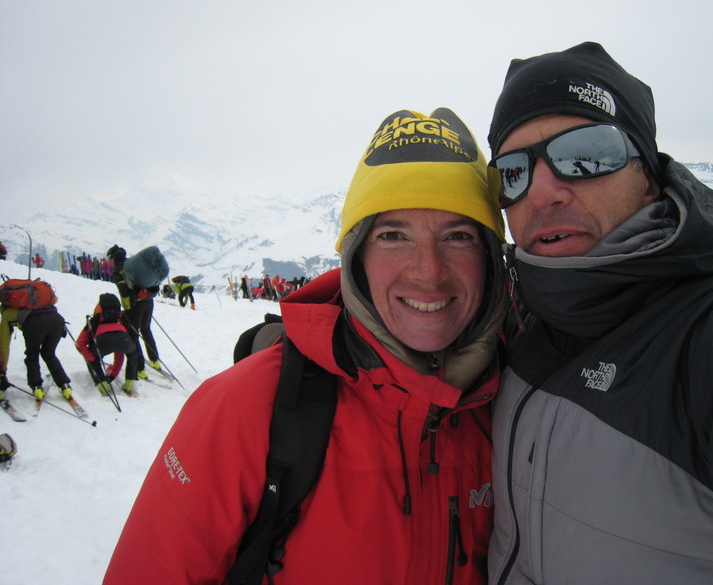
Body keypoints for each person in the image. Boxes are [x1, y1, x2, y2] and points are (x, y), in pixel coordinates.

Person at [104, 107, 508, 584]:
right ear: (356, 257)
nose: (428, 271)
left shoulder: (519, 406)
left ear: (491, 259)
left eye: (458, 236)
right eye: (393, 235)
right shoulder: (244, 409)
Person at [485, 42, 713, 585]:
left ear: (648, 174)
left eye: (585, 151)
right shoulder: (520, 332)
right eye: (511, 173)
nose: (542, 192)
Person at [107, 245, 163, 394]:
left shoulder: (119, 269)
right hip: (148, 301)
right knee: (146, 329)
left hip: (135, 305)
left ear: (114, 258)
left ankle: (140, 368)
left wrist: (127, 306)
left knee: (133, 334)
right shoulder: (133, 264)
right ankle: (155, 360)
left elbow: (123, 290)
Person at [0, 292, 72, 401]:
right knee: (49, 353)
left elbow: (3, 344)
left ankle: (37, 386)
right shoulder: (41, 298)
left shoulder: (9, 311)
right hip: (57, 321)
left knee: (32, 354)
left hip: (35, 324)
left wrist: (2, 370)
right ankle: (65, 385)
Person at [75, 293, 138, 396]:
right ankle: (130, 381)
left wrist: (91, 358)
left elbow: (80, 343)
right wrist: (113, 375)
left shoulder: (95, 319)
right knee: (132, 353)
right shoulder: (122, 318)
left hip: (101, 344)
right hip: (124, 342)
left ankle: (101, 383)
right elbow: (119, 354)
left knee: (91, 357)